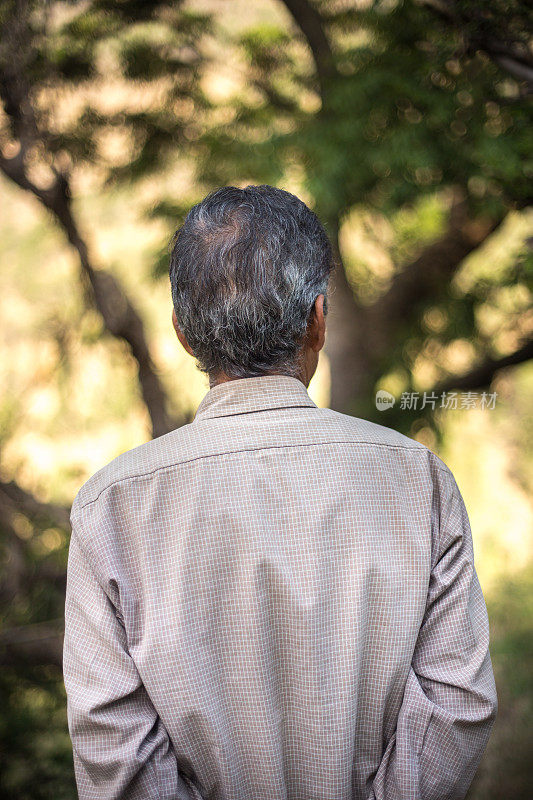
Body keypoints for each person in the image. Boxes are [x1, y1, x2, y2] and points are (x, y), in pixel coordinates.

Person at [63, 184, 497, 800]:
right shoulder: (416, 480)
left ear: (183, 332)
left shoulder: (112, 506)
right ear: (318, 319)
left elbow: (114, 749)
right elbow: (458, 705)